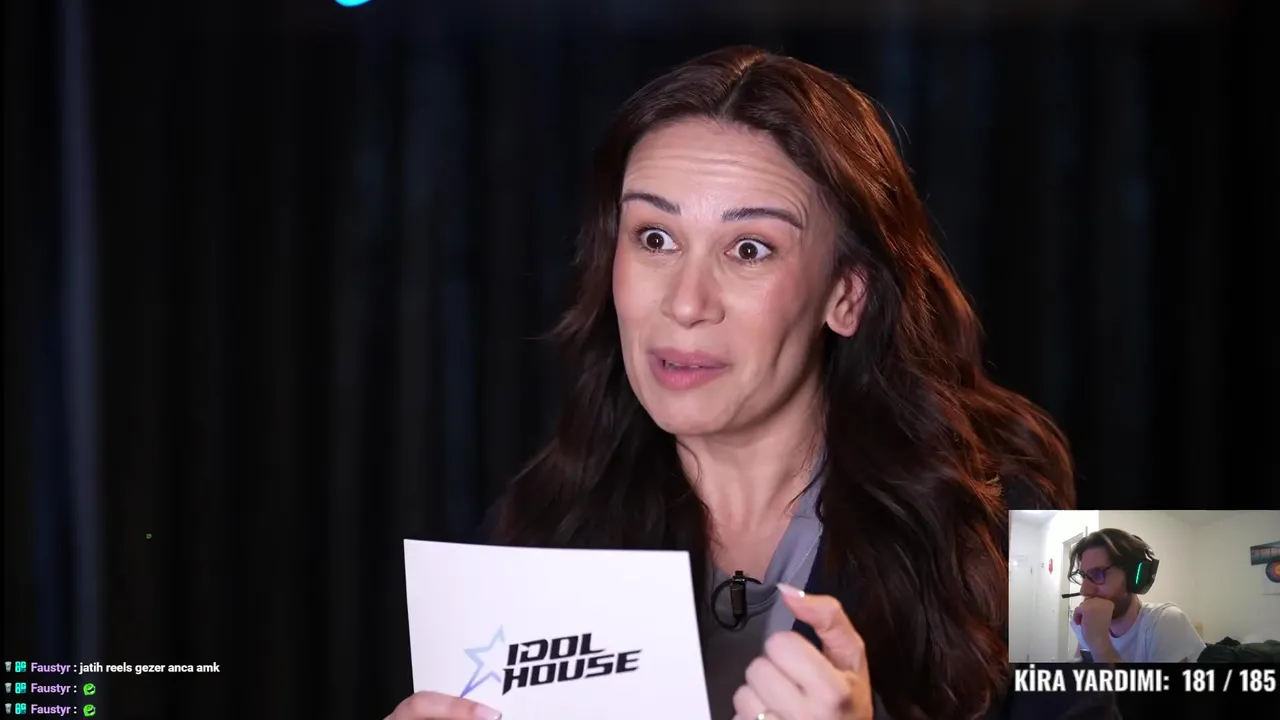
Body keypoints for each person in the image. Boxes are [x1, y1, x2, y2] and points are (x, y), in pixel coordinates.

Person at [387, 46, 1117, 720]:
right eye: (654, 238)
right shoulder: (529, 537)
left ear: (847, 294)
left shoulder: (1042, 537)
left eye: (748, 249)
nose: (685, 303)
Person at [1068, 528, 1206, 663]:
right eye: (1084, 576)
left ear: (1133, 578)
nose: (1084, 590)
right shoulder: (1089, 622)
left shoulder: (1165, 621)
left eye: (1097, 574)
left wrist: (1100, 644)